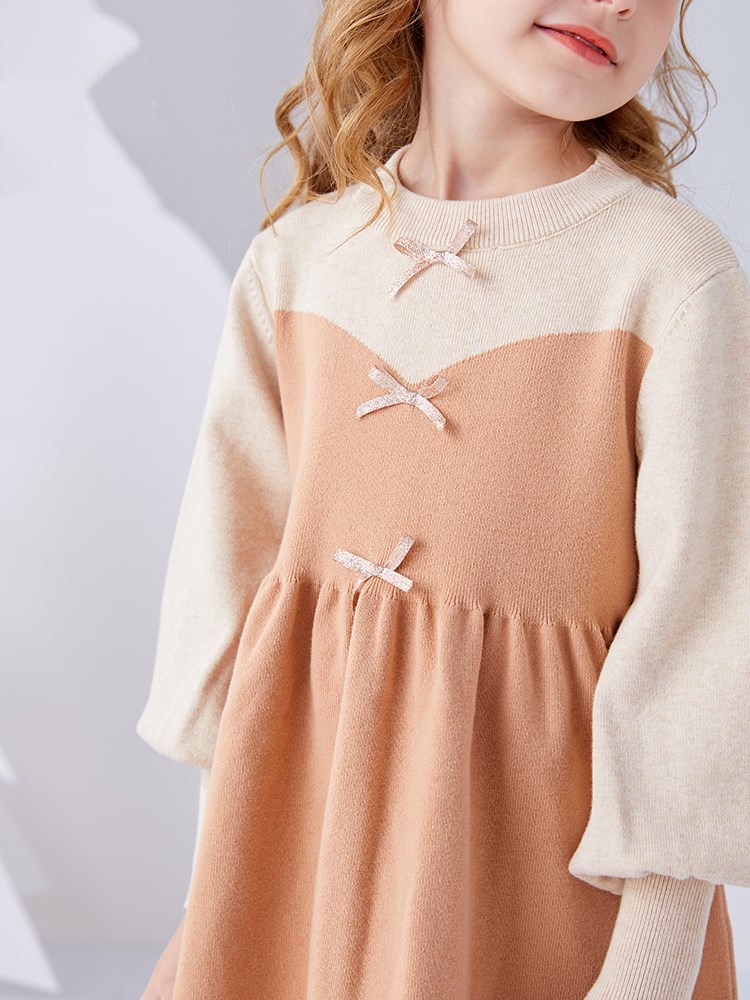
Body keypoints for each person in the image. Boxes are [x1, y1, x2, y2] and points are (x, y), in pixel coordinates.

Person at [137, 0, 750, 995]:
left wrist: (648, 971)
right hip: (295, 893)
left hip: (544, 902)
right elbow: (228, 607)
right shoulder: (300, 263)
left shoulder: (670, 276)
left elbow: (706, 642)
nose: (620, 3)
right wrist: (208, 915)